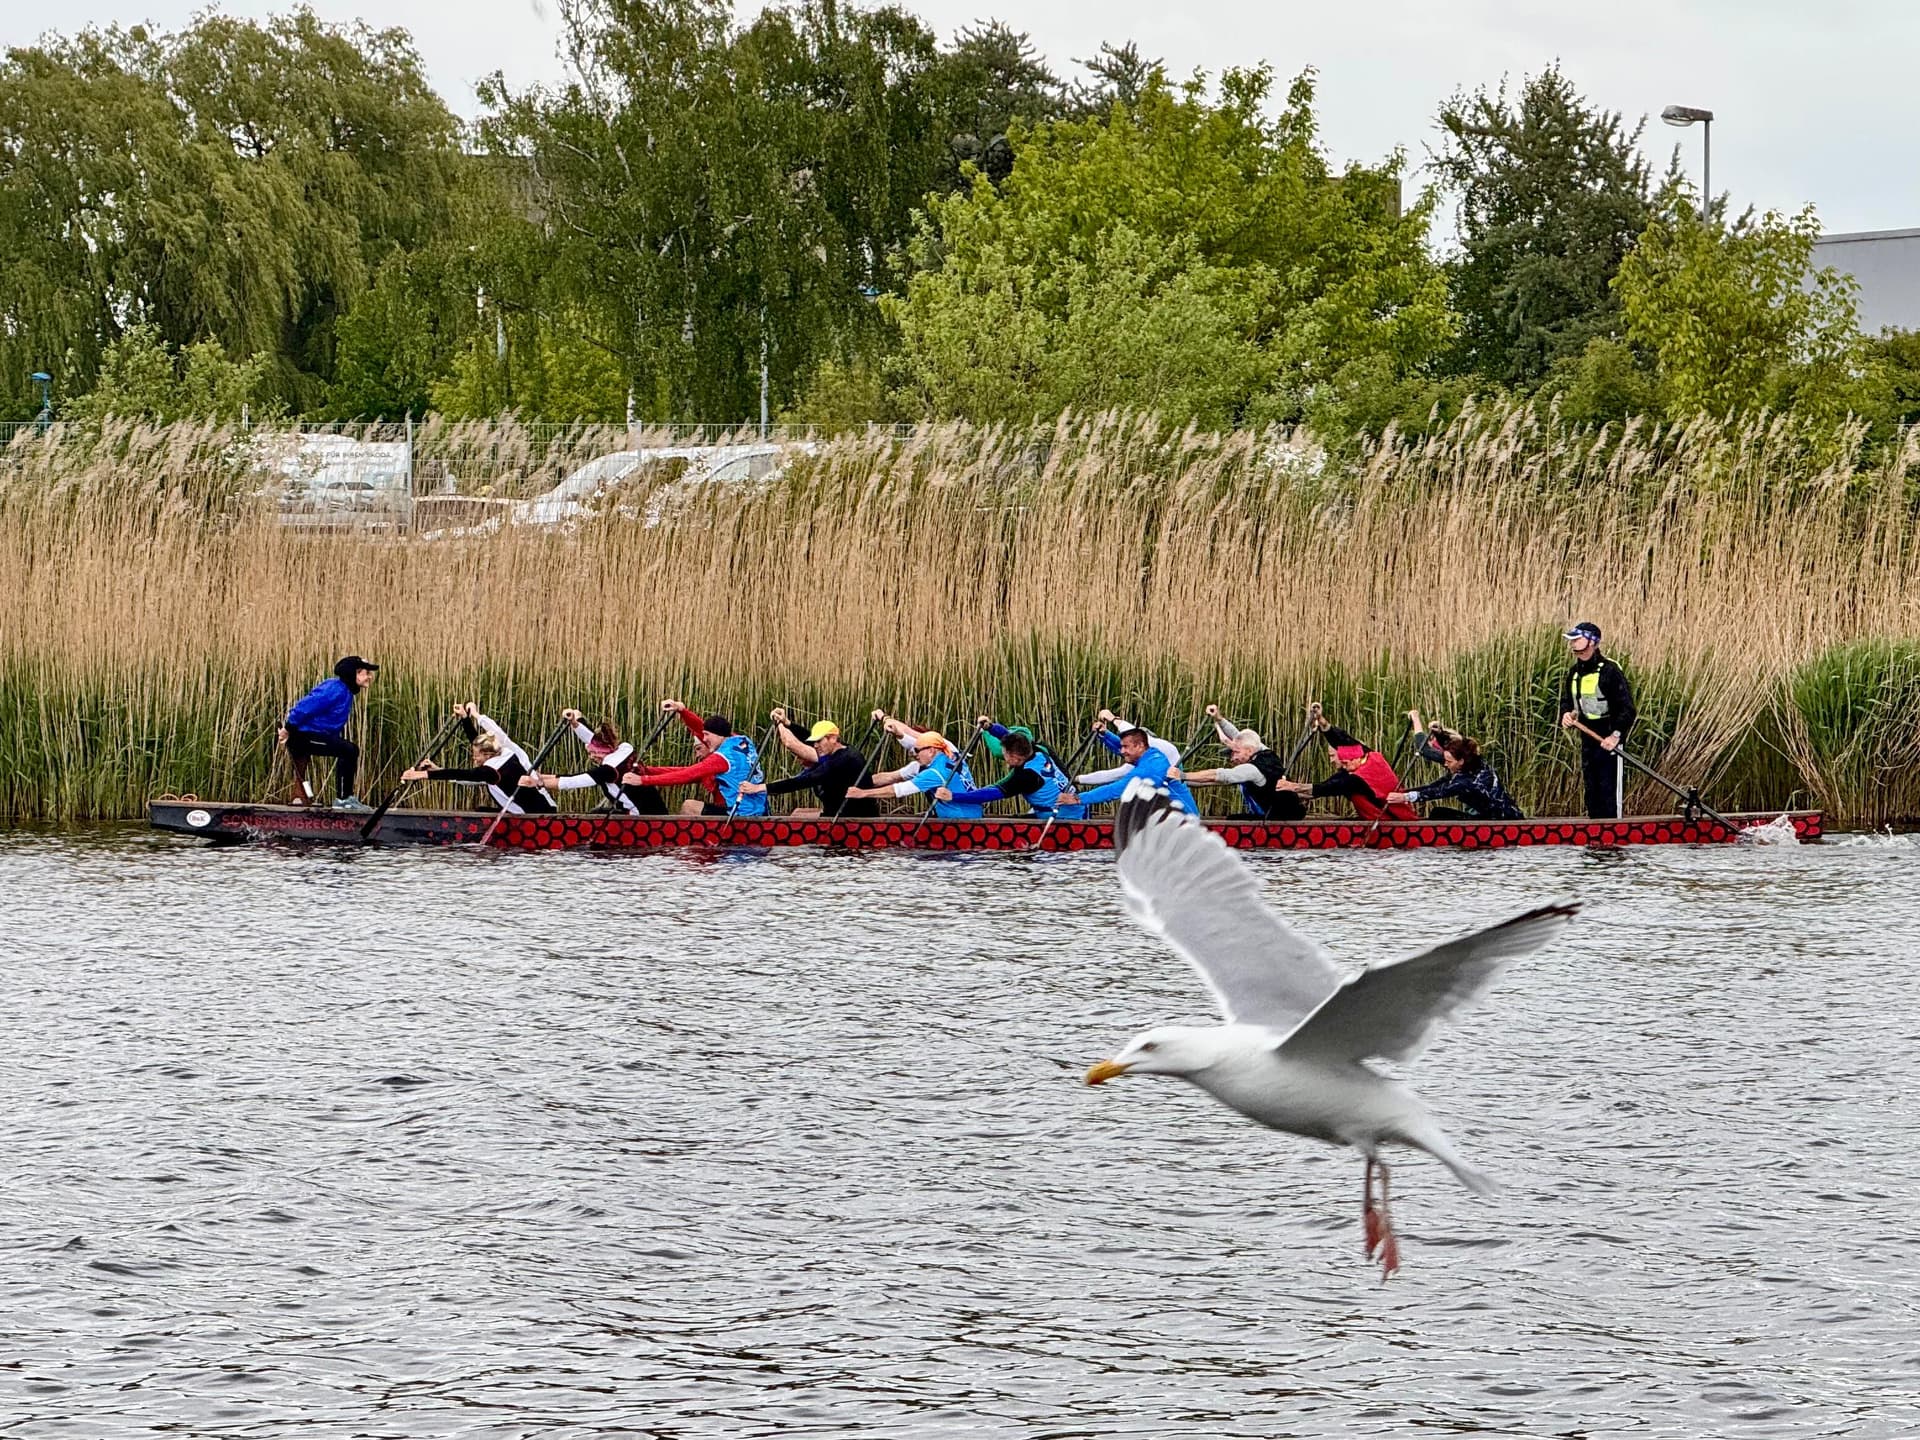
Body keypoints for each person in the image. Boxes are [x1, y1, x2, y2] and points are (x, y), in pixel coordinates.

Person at [619, 700, 769, 817]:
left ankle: (683, 846)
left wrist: (643, 780)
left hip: (740, 814)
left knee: (689, 806)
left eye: (706, 735)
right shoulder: (742, 741)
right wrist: (682, 711)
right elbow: (701, 728)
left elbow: (686, 774)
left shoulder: (721, 759)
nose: (704, 739)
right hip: (759, 809)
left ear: (718, 735)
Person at [401, 703, 557, 814]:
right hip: (543, 808)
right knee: (481, 809)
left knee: (481, 810)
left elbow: (460, 774)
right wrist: (465, 718)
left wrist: (421, 775)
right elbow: (477, 744)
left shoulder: (492, 771)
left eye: (476, 756)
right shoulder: (504, 752)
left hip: (536, 815)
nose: (474, 759)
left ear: (487, 755)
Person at [933, 715, 1087, 819]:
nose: (1004, 758)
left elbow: (989, 795)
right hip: (1078, 810)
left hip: (1065, 818)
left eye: (1005, 755)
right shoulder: (1037, 751)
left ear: (1014, 757)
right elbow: (1007, 736)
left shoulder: (1026, 777)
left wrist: (954, 796)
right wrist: (990, 727)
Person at [519, 708, 667, 815]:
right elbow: (592, 738)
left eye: (592, 753)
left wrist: (539, 783)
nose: (591, 757)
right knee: (597, 812)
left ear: (600, 750)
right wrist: (575, 722)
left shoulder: (609, 769)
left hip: (641, 818)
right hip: (658, 811)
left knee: (596, 814)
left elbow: (574, 781)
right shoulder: (625, 749)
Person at [1558, 621, 1636, 819]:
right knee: (1592, 793)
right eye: (1572, 641)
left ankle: (1613, 833)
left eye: (1577, 640)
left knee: (1609, 794)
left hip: (1610, 741)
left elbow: (1627, 709)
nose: (1573, 644)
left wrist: (1615, 736)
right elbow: (1567, 701)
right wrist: (1567, 714)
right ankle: (1595, 833)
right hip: (1588, 740)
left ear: (1592, 642)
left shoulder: (1610, 671)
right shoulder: (1574, 673)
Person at [736, 707, 876, 817]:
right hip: (838, 815)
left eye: (818, 741)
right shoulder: (842, 748)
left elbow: (802, 781)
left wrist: (758, 788)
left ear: (833, 738)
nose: (815, 746)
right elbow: (806, 735)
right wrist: (787, 723)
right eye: (814, 742)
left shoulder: (841, 761)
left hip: (854, 821)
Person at [280, 655, 378, 811]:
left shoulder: (346, 691)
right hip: (303, 736)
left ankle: (302, 799)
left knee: (347, 750)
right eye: (366, 673)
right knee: (348, 750)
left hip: (314, 736)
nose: (370, 677)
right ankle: (343, 800)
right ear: (355, 674)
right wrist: (288, 729)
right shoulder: (335, 689)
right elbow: (305, 707)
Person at [1177, 704, 1307, 820]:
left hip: (1283, 819)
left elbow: (1219, 776)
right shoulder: (1260, 750)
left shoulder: (1252, 769)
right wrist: (1219, 719)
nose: (1232, 757)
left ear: (1249, 750)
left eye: (1235, 752)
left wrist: (1183, 775)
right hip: (1279, 814)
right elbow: (1237, 735)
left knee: (1232, 819)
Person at [1385, 710, 1523, 819]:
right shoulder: (1473, 761)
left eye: (1449, 762)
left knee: (1439, 814)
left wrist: (1405, 797)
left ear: (1461, 761)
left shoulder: (1465, 782)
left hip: (1502, 820)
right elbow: (1460, 746)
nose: (1445, 764)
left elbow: (1437, 792)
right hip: (1491, 816)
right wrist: (1440, 734)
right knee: (1439, 811)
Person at [843, 714, 984, 817]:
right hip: (972, 813)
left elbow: (898, 790)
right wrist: (897, 733)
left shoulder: (934, 773)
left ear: (931, 750)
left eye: (917, 751)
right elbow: (891, 775)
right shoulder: (951, 752)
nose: (913, 754)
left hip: (961, 820)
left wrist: (863, 793)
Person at [1274, 723, 1418, 821]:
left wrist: (1293, 787)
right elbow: (1344, 739)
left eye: (1345, 763)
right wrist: (1324, 724)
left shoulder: (1356, 780)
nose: (1344, 767)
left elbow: (1325, 788)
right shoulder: (1366, 756)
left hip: (1396, 820)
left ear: (1355, 758)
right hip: (1377, 817)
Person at [1073, 725, 1199, 814]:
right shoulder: (1148, 754)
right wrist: (1105, 735)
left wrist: (1078, 798)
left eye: (1125, 747)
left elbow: (1116, 789)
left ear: (1140, 745)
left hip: (1183, 823)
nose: (1122, 751)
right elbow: (1124, 749)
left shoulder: (1151, 767)